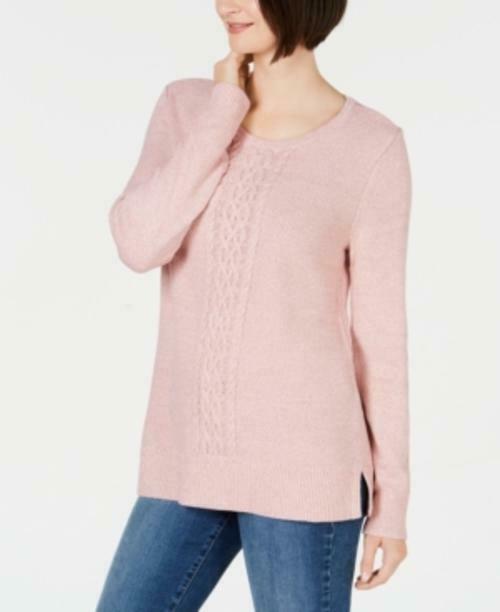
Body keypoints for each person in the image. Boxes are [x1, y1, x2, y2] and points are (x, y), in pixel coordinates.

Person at [96, 0, 413, 610]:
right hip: (190, 457)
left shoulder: (371, 146)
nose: (227, 4)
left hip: (306, 466)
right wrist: (223, 111)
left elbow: (381, 339)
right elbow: (139, 244)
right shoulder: (189, 108)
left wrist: (391, 503)